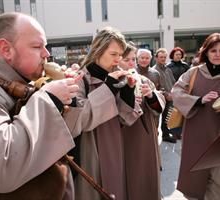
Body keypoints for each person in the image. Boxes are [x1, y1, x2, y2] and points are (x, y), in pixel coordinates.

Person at [0, 12, 120, 200]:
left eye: (45, 46)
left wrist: (67, 98)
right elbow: (0, 167)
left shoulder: (29, 84)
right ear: (6, 49)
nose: (46, 54)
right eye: (37, 46)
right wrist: (48, 99)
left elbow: (67, 133)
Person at [73, 27, 140, 200]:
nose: (118, 60)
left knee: (115, 189)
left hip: (114, 144)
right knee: (92, 191)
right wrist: (108, 87)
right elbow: (80, 119)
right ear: (98, 51)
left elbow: (125, 119)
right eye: (114, 54)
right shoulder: (80, 79)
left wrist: (128, 92)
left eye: (120, 55)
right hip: (90, 147)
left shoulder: (116, 76)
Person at [171, 33, 220, 200]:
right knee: (194, 180)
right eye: (213, 50)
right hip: (196, 133)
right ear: (205, 52)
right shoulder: (193, 73)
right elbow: (176, 93)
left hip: (218, 136)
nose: (217, 54)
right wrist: (199, 100)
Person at [119, 43, 165, 200]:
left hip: (142, 135)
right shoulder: (111, 81)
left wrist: (151, 96)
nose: (132, 64)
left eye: (133, 59)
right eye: (127, 60)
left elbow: (159, 106)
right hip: (120, 137)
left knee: (143, 179)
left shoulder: (144, 79)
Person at [152, 48, 177, 143]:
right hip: (160, 98)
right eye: (161, 57)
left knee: (167, 118)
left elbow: (174, 82)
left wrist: (174, 92)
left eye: (164, 57)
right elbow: (155, 86)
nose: (163, 59)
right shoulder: (154, 71)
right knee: (156, 119)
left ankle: (166, 135)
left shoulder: (168, 69)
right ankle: (155, 136)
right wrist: (166, 94)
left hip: (170, 98)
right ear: (156, 58)